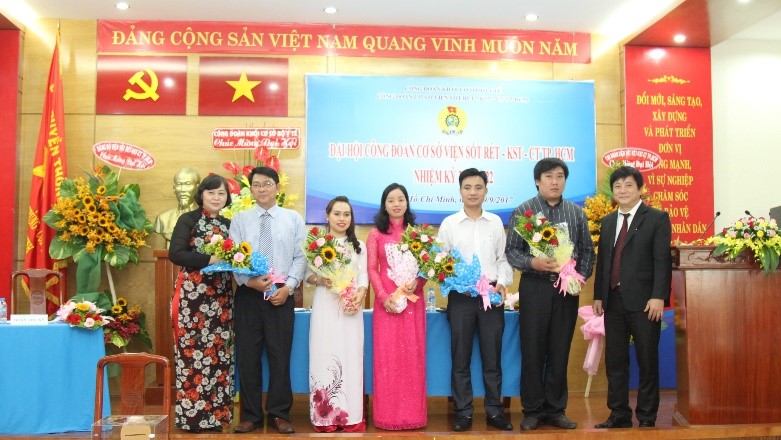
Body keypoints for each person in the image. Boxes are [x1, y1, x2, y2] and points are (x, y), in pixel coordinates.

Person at [505, 157, 595, 431]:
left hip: (566, 291)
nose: (555, 182)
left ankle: (556, 410)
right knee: (532, 350)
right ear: (537, 181)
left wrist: (578, 277)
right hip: (535, 287)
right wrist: (533, 262)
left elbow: (587, 251)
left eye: (559, 176)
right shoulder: (525, 211)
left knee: (559, 349)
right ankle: (532, 410)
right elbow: (512, 251)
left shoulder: (576, 213)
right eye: (548, 177)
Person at [592, 165, 671, 429]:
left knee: (647, 360)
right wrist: (598, 295)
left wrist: (658, 296)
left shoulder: (656, 218)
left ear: (640, 189)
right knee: (615, 361)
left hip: (645, 302)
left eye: (628, 185)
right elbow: (604, 262)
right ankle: (619, 414)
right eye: (618, 186)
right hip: (613, 300)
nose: (622, 190)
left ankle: (647, 416)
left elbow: (662, 260)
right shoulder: (607, 221)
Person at [229, 166, 307, 434]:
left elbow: (301, 256)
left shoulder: (293, 219)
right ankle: (250, 415)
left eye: (266, 184)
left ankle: (279, 413)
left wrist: (289, 288)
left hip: (281, 294)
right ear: (251, 189)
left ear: (277, 187)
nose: (261, 189)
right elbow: (233, 257)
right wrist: (248, 281)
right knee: (248, 356)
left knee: (280, 355)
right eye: (256, 185)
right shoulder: (240, 220)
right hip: (248, 295)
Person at [437, 168, 514, 432]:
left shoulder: (495, 222)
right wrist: (453, 279)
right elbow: (440, 262)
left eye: (478, 187)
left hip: (490, 296)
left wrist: (502, 282)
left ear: (486, 191)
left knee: (492, 358)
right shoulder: (449, 224)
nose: (473, 192)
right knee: (460, 358)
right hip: (461, 298)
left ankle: (494, 411)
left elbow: (503, 259)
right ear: (460, 191)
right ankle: (463, 413)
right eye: (467, 187)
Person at [167, 174, 233, 433]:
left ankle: (217, 417)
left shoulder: (229, 224)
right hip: (192, 299)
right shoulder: (189, 220)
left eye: (221, 193)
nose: (216, 197)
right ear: (201, 194)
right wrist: (210, 259)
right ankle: (193, 419)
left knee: (219, 355)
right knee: (192, 355)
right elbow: (176, 253)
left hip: (221, 298)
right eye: (211, 192)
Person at [367, 183, 427, 430]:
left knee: (412, 358)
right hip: (387, 305)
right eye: (391, 200)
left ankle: (413, 415)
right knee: (388, 359)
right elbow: (372, 269)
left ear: (407, 202)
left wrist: (418, 283)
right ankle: (387, 416)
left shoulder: (418, 234)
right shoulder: (376, 235)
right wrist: (383, 297)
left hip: (413, 304)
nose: (396, 204)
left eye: (400, 199)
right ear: (384, 204)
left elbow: (427, 267)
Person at [306, 196, 369, 432]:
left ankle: (350, 416)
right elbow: (307, 276)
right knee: (324, 354)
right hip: (325, 304)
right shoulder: (317, 245)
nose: (342, 219)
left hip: (351, 307)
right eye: (337, 214)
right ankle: (325, 417)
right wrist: (322, 279)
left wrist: (359, 295)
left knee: (351, 356)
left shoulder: (359, 246)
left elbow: (363, 276)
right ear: (327, 216)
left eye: (346, 214)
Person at [155, 168, 201, 244]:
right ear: (174, 188)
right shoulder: (163, 219)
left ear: (197, 187)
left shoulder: (206, 218)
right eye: (179, 184)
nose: (182, 190)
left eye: (188, 184)